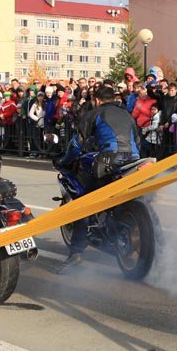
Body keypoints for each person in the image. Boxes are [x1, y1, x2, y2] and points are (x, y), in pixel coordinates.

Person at [53, 85, 141, 274]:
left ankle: (76, 253)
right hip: (134, 160)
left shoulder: (95, 113)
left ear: (97, 100)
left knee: (85, 203)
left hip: (110, 160)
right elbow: (138, 140)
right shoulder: (127, 114)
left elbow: (78, 142)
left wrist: (65, 160)